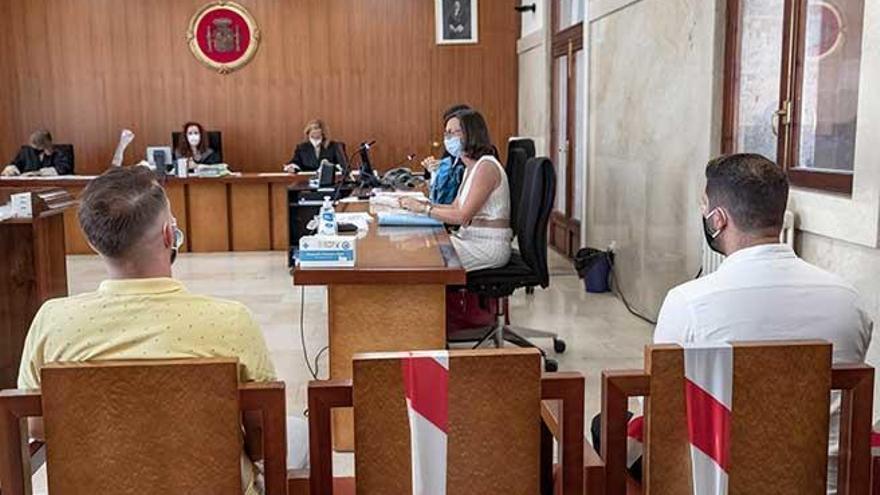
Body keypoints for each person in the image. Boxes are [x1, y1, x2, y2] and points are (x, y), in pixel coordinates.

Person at [592, 154, 873, 494]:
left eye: (704, 207)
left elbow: (661, 416)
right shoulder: (848, 301)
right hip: (826, 485)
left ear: (719, 219)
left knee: (604, 427)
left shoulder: (688, 303)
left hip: (715, 484)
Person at [17, 166, 307, 495]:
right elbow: (262, 439)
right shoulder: (231, 321)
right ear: (170, 235)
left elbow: (38, 426)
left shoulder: (52, 321)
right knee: (299, 432)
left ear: (94, 243)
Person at [400, 110, 511, 271]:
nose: (447, 139)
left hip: (487, 247)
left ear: (470, 134)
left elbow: (461, 216)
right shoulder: (471, 168)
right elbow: (454, 207)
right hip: (469, 239)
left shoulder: (486, 167)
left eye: (452, 133)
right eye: (446, 133)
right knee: (416, 244)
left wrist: (425, 209)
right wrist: (421, 204)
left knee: (422, 253)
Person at [422, 104, 470, 205]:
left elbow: (459, 208)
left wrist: (426, 209)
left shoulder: (483, 159)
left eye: (455, 131)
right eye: (448, 132)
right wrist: (432, 170)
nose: (449, 138)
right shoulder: (452, 151)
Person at [2, 129, 73, 176]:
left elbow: (64, 169)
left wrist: (38, 173)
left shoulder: (62, 152)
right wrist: (9, 170)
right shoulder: (26, 151)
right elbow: (15, 164)